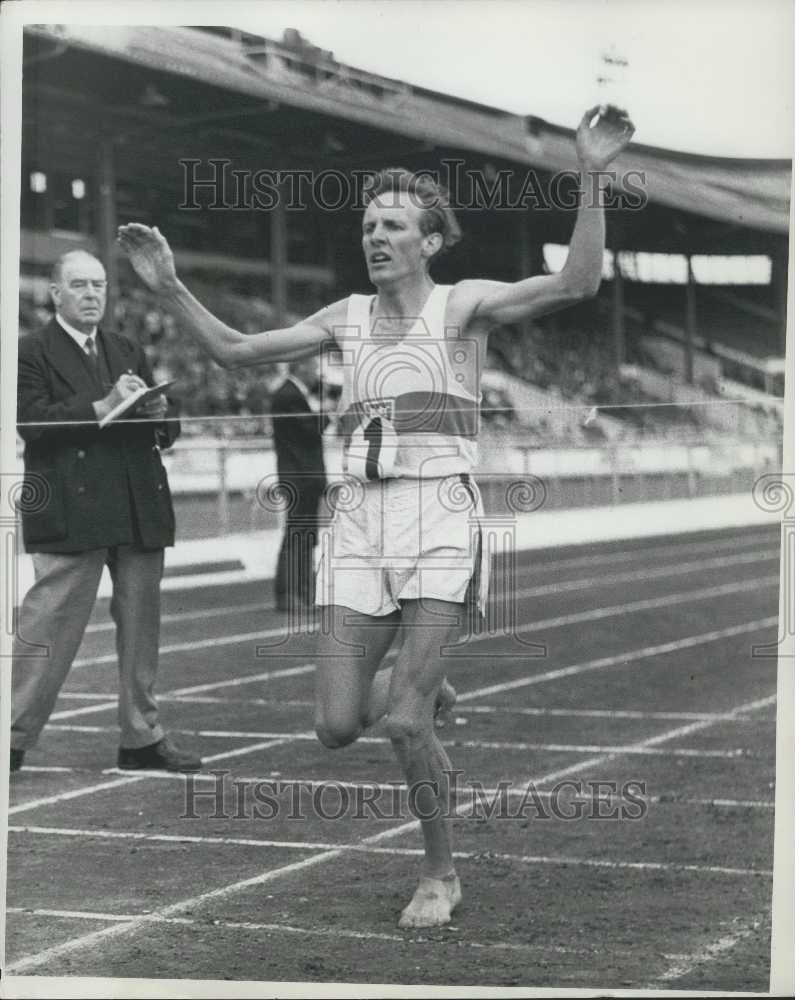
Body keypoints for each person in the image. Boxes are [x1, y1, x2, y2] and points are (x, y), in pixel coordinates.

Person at [118, 104, 635, 926]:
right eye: (368, 223)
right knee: (333, 726)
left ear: (431, 241)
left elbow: (577, 283)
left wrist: (593, 174)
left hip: (439, 521)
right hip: (356, 526)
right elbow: (237, 351)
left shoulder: (462, 308)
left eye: (394, 223)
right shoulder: (344, 319)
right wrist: (172, 285)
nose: (376, 234)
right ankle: (416, 683)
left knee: (401, 724)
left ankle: (439, 871)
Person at [11, 249, 200, 774]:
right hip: (72, 510)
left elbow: (163, 431)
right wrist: (100, 405)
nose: (92, 295)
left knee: (142, 629)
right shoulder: (30, 351)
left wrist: (161, 416)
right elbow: (30, 423)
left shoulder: (126, 347)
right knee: (48, 626)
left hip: (137, 504)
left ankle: (141, 736)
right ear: (54, 293)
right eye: (79, 285)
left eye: (98, 285)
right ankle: (11, 734)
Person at [269, 356, 328, 615]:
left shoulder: (291, 394)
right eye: (314, 367)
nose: (317, 373)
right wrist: (327, 410)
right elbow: (311, 430)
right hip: (300, 475)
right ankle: (290, 593)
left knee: (304, 536)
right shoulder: (289, 395)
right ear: (301, 367)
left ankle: (301, 592)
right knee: (298, 536)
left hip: (301, 475)